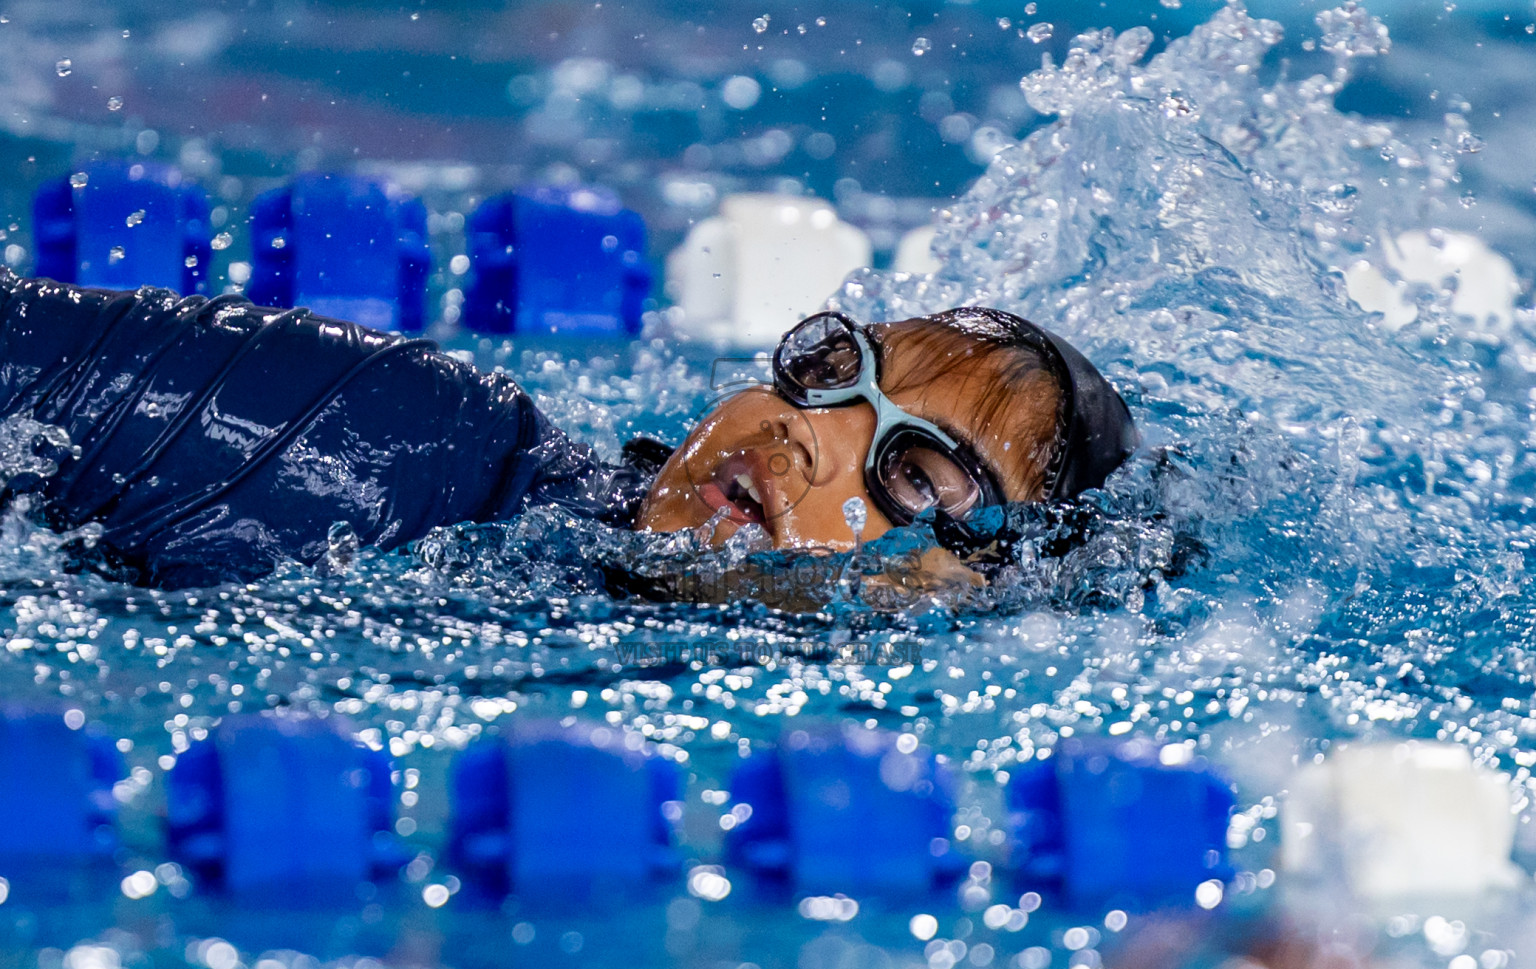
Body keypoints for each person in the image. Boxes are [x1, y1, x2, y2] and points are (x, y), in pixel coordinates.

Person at [0, 269, 1136, 589]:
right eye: (833, 376)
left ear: (960, 588)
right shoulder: (390, 438)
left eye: (918, 475)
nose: (805, 438)